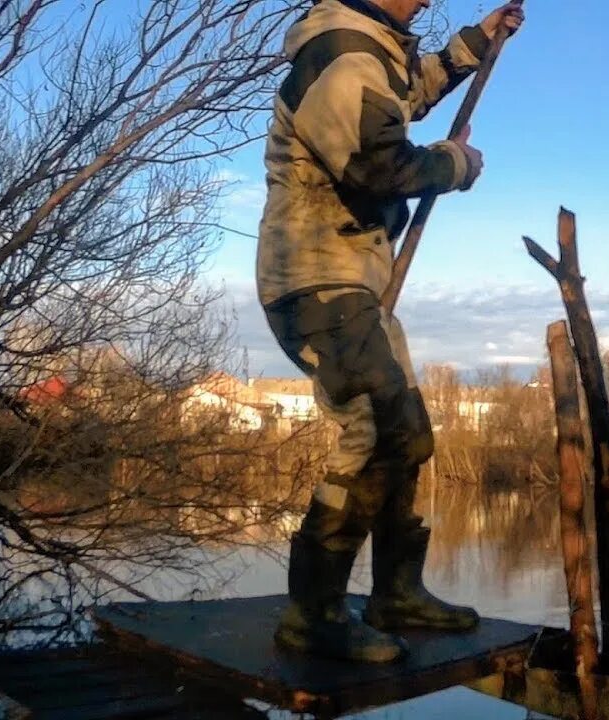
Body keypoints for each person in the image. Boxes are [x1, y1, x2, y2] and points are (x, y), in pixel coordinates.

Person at [255, 0, 525, 663]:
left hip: (353, 284)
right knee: (373, 429)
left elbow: (408, 94)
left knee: (408, 436)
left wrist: (476, 43)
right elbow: (379, 164)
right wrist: (453, 165)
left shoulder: (371, 49)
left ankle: (396, 593)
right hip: (315, 280)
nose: (428, 0)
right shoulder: (342, 57)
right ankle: (313, 615)